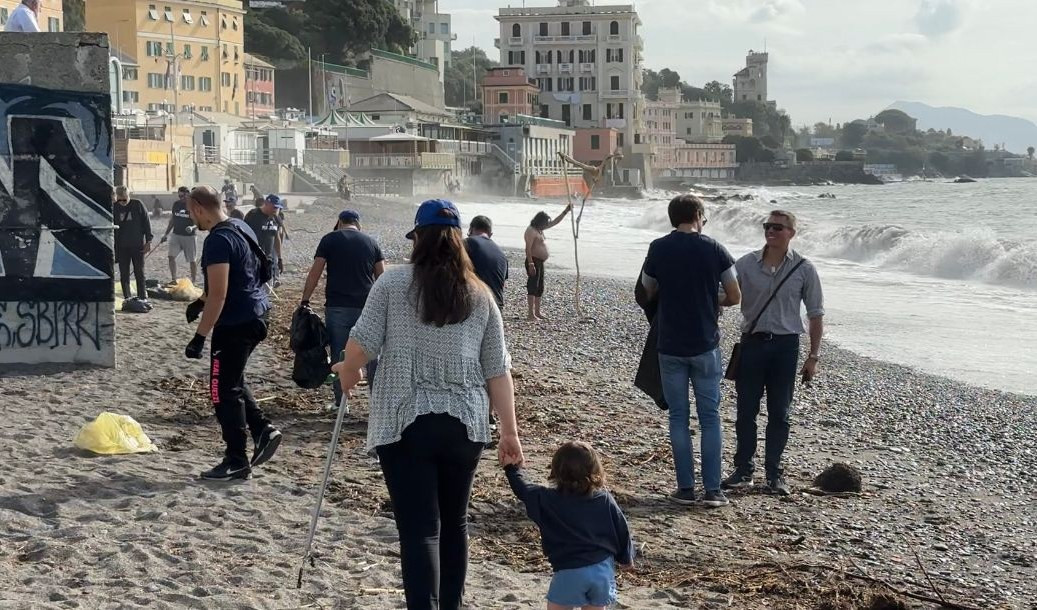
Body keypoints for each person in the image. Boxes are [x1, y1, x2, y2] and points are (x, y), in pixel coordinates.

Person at [332, 199, 522, 610]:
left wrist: (348, 370)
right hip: (465, 425)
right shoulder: (481, 294)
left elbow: (361, 344)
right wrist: (509, 432)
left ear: (418, 238)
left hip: (405, 422)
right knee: (454, 524)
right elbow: (498, 371)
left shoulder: (393, 283)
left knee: (419, 530)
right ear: (459, 241)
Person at [641, 195, 741, 508]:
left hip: (670, 342)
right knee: (710, 417)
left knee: (679, 417)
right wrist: (713, 299)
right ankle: (712, 490)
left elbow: (648, 288)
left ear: (673, 217)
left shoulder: (659, 248)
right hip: (704, 342)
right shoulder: (714, 248)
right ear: (699, 216)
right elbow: (735, 295)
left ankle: (685, 488)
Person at [722, 210, 825, 497]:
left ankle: (774, 474)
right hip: (752, 343)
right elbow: (725, 296)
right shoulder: (745, 264)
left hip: (786, 346)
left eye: (778, 228)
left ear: (792, 232)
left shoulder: (805, 268)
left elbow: (816, 315)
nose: (771, 231)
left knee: (780, 412)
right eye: (768, 226)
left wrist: (813, 357)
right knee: (746, 411)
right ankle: (743, 471)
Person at [183, 185, 281, 481]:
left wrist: (199, 337)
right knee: (232, 381)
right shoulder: (239, 225)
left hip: (235, 322)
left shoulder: (217, 240)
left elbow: (220, 295)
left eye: (191, 212)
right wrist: (200, 302)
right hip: (257, 313)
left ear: (199, 208)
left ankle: (236, 459)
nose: (192, 219)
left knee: (220, 390)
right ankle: (263, 430)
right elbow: (242, 273)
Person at [504, 441, 634, 610]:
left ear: (556, 470)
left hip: (570, 571)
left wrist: (512, 469)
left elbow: (524, 489)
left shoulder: (548, 499)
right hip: (602, 570)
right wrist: (626, 557)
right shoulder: (603, 498)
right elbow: (621, 528)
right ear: (596, 470)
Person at [300, 209, 385, 408]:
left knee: (340, 354)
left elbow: (315, 272)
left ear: (339, 222)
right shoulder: (371, 242)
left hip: (337, 306)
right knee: (373, 356)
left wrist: (305, 299)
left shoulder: (329, 239)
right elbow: (382, 277)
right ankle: (378, 405)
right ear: (358, 223)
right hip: (367, 307)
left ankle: (342, 404)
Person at [524, 205, 573, 321]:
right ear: (539, 221)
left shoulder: (539, 229)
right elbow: (528, 249)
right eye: (544, 222)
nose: (546, 224)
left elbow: (555, 222)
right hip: (533, 261)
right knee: (532, 286)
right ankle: (530, 314)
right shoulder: (531, 231)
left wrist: (566, 211)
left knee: (540, 287)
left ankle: (537, 312)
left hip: (540, 262)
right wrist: (531, 264)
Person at [113, 186, 153, 301]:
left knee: (139, 272)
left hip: (137, 244)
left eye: (124, 199)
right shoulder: (114, 208)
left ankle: (142, 295)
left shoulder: (137, 205)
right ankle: (127, 297)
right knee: (124, 273)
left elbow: (146, 223)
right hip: (121, 246)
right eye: (120, 200)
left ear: (128, 196)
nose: (122, 202)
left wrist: (148, 241)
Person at [464, 215, 508, 310]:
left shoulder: (468, 243)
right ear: (490, 233)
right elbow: (502, 284)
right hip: (497, 308)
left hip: (475, 306)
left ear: (471, 229)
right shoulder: (501, 254)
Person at [160, 186, 199, 284]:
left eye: (183, 196)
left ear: (188, 194)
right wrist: (166, 234)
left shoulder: (193, 206)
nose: (181, 198)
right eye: (179, 196)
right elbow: (172, 220)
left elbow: (198, 222)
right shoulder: (176, 204)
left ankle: (193, 280)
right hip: (176, 234)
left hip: (190, 237)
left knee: (192, 260)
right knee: (171, 256)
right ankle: (174, 279)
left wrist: (192, 227)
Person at [244, 194, 285, 285]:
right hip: (253, 258)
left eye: (277, 208)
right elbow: (243, 235)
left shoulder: (275, 218)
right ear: (266, 203)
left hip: (268, 259)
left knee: (267, 288)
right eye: (274, 207)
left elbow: (276, 237)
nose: (276, 210)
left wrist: (279, 258)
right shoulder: (253, 215)